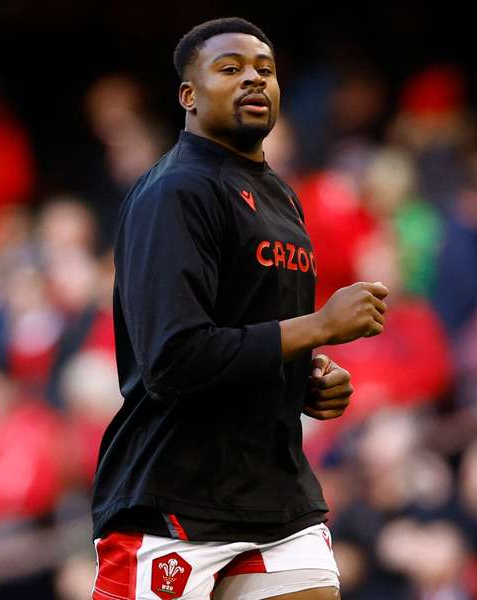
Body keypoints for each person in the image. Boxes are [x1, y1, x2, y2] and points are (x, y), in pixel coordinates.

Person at [90, 17, 389, 600]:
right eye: (230, 69)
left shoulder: (280, 196)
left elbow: (251, 334)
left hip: (275, 496)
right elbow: (173, 359)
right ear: (189, 95)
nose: (254, 78)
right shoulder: (172, 193)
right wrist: (320, 326)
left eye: (266, 69)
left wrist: (303, 379)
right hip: (174, 500)